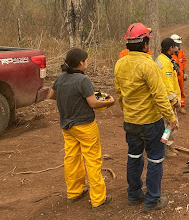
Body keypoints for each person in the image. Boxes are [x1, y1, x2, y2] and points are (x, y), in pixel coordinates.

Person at [114, 23, 177, 213]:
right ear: (145, 43)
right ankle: (152, 200)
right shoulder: (148, 65)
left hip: (131, 122)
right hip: (151, 123)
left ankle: (134, 195)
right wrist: (171, 118)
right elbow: (159, 96)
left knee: (134, 157)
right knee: (156, 160)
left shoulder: (120, 63)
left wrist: (128, 111)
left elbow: (120, 93)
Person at [49, 48, 115, 209]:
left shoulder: (61, 78)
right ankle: (98, 199)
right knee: (92, 161)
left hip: (67, 126)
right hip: (85, 126)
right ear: (80, 62)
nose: (87, 63)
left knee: (72, 158)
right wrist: (110, 102)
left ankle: (74, 192)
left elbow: (51, 95)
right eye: (86, 60)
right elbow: (93, 103)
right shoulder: (83, 80)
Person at [156, 38, 182, 157]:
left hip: (165, 98)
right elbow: (167, 84)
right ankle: (166, 148)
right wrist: (174, 100)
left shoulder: (164, 59)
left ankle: (169, 146)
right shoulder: (165, 63)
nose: (176, 48)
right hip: (167, 100)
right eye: (174, 46)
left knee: (169, 125)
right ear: (170, 48)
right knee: (170, 125)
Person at [170, 34, 187, 114]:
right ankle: (173, 107)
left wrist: (185, 72)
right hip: (172, 75)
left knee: (181, 90)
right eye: (177, 44)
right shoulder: (169, 53)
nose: (178, 46)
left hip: (181, 74)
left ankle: (181, 106)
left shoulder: (181, 51)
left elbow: (184, 61)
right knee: (172, 91)